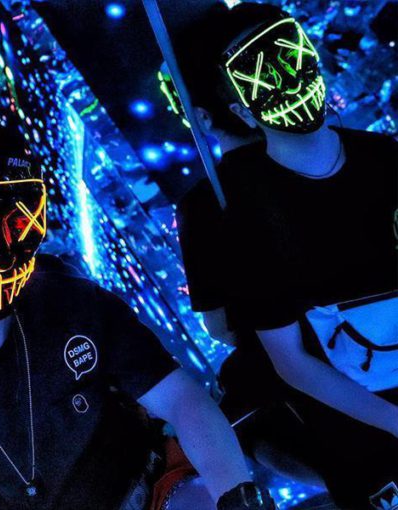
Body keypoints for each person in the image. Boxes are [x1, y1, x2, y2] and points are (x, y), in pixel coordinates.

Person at [0, 114, 278, 510]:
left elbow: (181, 399)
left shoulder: (72, 303)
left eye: (16, 215)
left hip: (149, 489)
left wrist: (237, 496)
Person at [170, 2, 398, 508]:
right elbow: (288, 360)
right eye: (269, 79)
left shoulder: (384, 158)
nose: (294, 85)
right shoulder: (238, 214)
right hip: (366, 440)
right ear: (240, 110)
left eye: (297, 62)